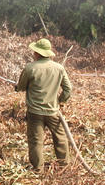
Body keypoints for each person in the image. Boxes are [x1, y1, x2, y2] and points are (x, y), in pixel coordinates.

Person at [15, 38, 73, 169]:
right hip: (53, 111)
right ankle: (64, 167)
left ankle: (38, 169)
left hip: (35, 113)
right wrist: (61, 101)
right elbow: (68, 89)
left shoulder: (30, 68)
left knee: (36, 141)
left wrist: (17, 87)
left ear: (37, 53)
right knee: (61, 139)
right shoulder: (59, 68)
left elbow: (22, 87)